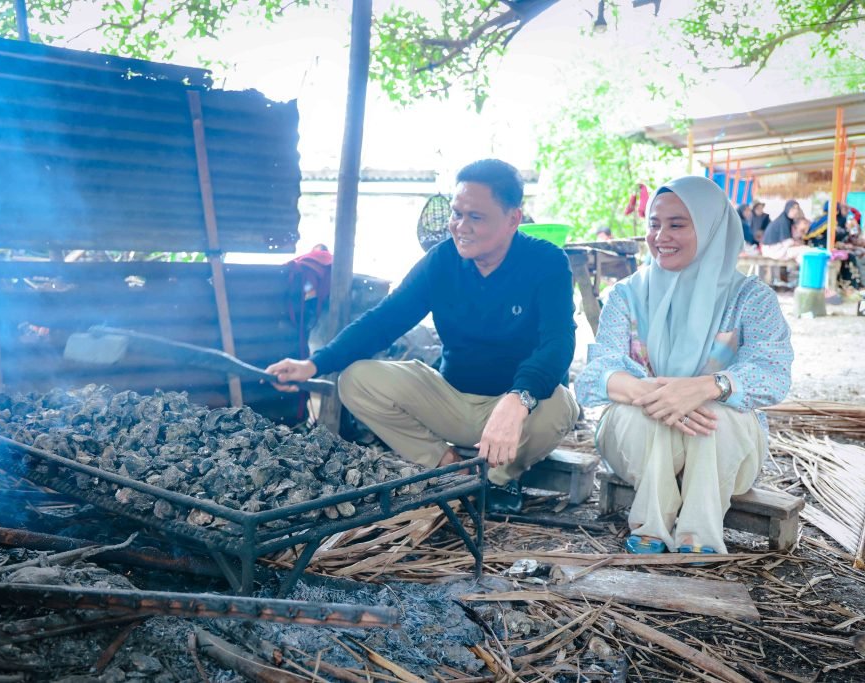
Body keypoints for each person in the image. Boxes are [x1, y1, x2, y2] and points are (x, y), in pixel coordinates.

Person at [267, 159, 580, 513]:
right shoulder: (441, 262)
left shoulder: (547, 261)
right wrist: (314, 364)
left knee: (560, 405)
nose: (461, 226)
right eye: (457, 213)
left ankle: (497, 480)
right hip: (452, 401)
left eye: (475, 217)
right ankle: (447, 467)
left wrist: (519, 398)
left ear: (513, 219)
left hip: (518, 413)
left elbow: (559, 342)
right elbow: (383, 321)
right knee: (356, 380)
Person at [575, 176, 792, 556]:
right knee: (649, 411)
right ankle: (653, 522)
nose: (661, 236)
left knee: (716, 412)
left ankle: (699, 530)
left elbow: (773, 373)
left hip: (719, 449)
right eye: (654, 224)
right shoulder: (626, 295)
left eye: (677, 224)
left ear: (711, 228)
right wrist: (663, 396)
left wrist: (706, 388)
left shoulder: (750, 298)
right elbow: (596, 374)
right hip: (637, 443)